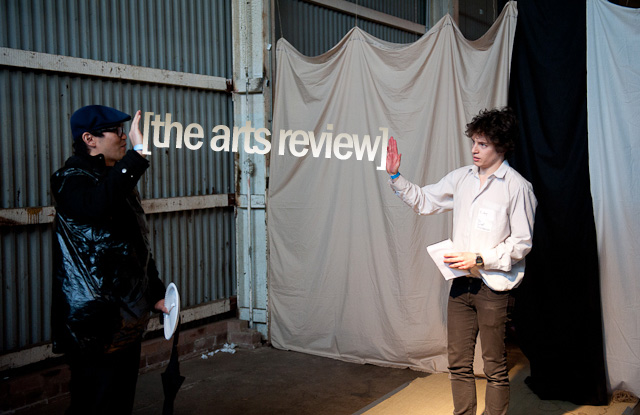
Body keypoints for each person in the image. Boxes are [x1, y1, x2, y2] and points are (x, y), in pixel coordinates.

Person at [386, 107, 537, 415]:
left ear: (501, 146)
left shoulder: (516, 186)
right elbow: (425, 200)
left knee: (494, 367)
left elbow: (522, 243)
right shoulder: (462, 178)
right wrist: (395, 177)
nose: (474, 150)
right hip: (460, 285)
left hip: (493, 289)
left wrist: (478, 258)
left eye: (482, 144)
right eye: (473, 142)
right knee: (458, 364)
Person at [51, 105, 169, 414]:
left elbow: (135, 246)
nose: (124, 137)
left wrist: (156, 294)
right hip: (94, 323)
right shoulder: (69, 180)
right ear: (89, 139)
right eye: (116, 131)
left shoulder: (118, 184)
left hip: (126, 318)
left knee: (119, 402)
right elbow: (96, 205)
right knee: (95, 403)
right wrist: (137, 156)